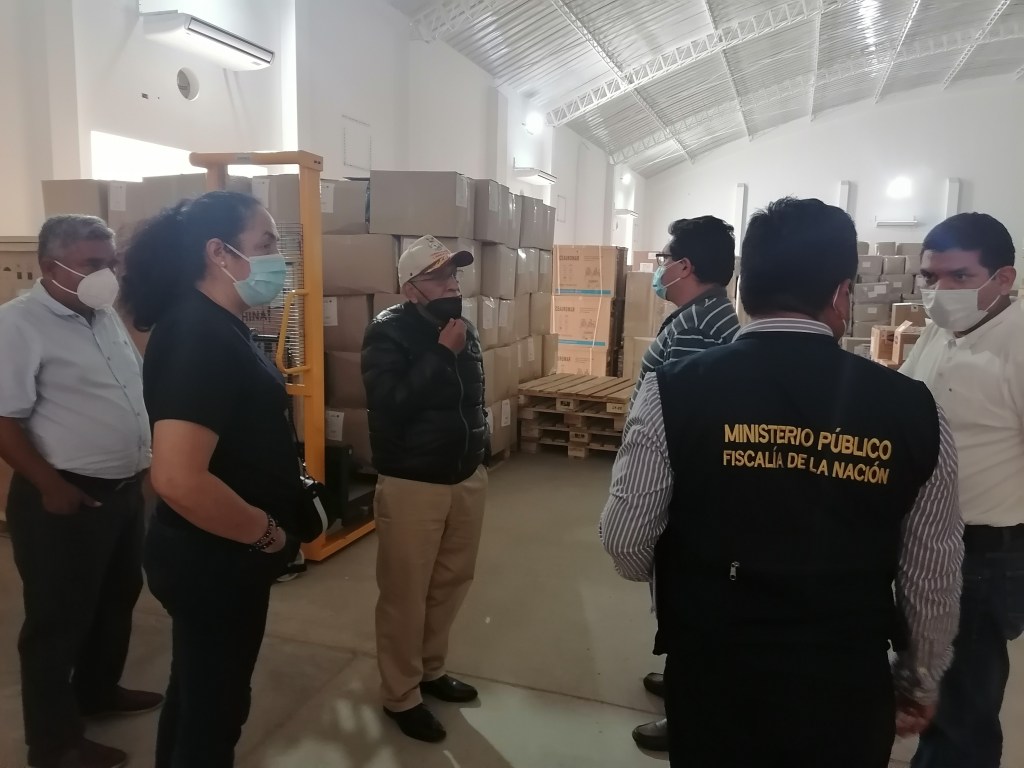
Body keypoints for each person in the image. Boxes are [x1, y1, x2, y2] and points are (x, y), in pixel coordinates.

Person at [600, 197, 964, 768]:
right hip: (843, 679)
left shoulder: (670, 389)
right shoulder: (915, 410)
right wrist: (920, 677)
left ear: (745, 288)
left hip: (713, 670)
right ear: (842, 294)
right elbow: (932, 576)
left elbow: (626, 545)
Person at [118, 191, 301, 768]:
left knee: (197, 693)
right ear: (219, 253)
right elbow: (177, 478)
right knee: (216, 710)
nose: (278, 259)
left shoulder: (221, 325)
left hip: (217, 554)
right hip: (214, 559)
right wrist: (268, 535)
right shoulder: (197, 335)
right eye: (265, 243)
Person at [0, 215, 160, 768]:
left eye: (110, 262)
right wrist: (50, 487)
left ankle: (97, 691)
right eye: (93, 264)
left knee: (116, 598)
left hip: (122, 491)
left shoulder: (102, 315)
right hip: (64, 496)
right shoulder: (17, 325)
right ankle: (53, 744)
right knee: (57, 621)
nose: (107, 275)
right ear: (50, 267)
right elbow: (3, 420)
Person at [900, 213, 1024, 768]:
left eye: (960, 276)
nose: (941, 290)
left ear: (1004, 278)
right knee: (927, 689)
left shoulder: (1017, 344)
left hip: (983, 554)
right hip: (925, 543)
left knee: (963, 707)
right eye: (930, 277)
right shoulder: (938, 331)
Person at [362, 235, 489, 743]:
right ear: (410, 288)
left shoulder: (463, 329)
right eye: (438, 277)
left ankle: (431, 670)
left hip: (465, 477)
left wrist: (479, 454)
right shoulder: (386, 333)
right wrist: (440, 355)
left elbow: (471, 400)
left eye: (454, 274)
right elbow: (389, 404)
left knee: (451, 582)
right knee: (405, 595)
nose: (451, 284)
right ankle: (401, 694)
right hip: (413, 483)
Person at [626, 215, 740, 752]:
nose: (661, 268)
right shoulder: (703, 316)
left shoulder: (698, 328)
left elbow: (684, 430)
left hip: (681, 495)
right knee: (678, 601)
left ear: (685, 266)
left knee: (687, 604)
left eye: (665, 259)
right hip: (687, 492)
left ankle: (688, 712)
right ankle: (679, 676)